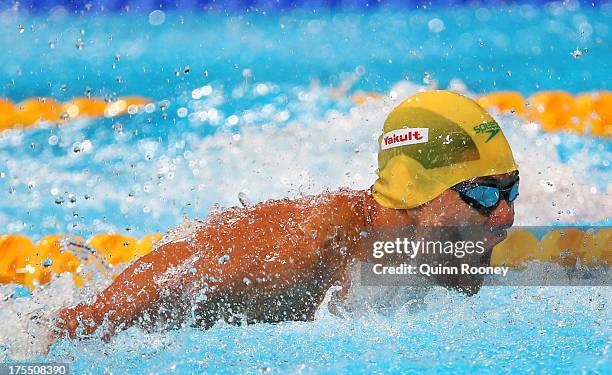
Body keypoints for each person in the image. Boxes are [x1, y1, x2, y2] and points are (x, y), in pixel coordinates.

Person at [54, 90, 519, 341]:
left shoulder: (447, 253)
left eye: (510, 190)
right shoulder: (313, 239)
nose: (504, 216)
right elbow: (173, 271)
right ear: (416, 189)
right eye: (481, 194)